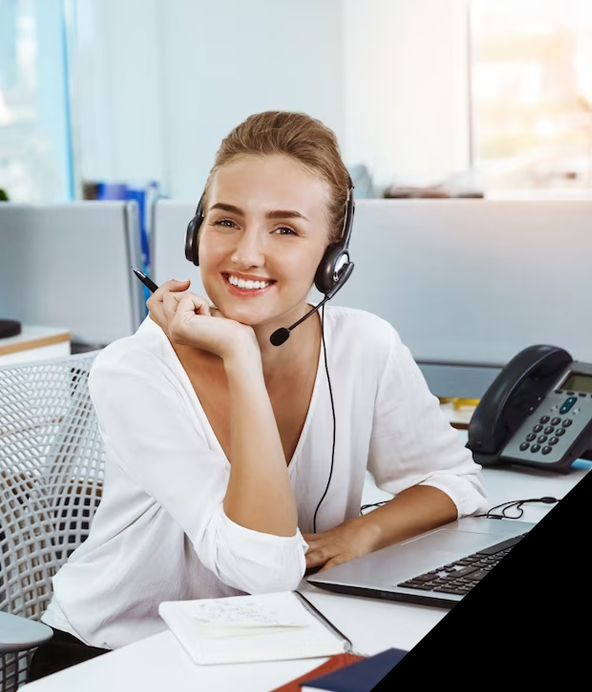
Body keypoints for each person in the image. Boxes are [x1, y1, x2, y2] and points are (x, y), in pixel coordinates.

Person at [30, 111, 488, 679]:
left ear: (332, 257)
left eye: (285, 229)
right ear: (195, 236)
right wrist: (240, 358)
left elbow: (454, 480)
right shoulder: (137, 370)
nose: (246, 254)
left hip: (278, 641)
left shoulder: (363, 345)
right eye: (226, 222)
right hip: (119, 658)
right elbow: (264, 568)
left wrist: (361, 532)